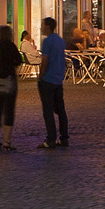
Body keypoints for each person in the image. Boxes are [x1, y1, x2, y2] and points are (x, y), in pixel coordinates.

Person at [34, 15, 69, 150]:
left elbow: (45, 61)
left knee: (47, 110)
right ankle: (64, 137)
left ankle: (51, 139)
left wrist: (40, 77)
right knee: (60, 110)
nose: (41, 27)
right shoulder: (60, 40)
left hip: (48, 79)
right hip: (58, 79)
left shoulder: (47, 41)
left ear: (47, 26)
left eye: (42, 25)